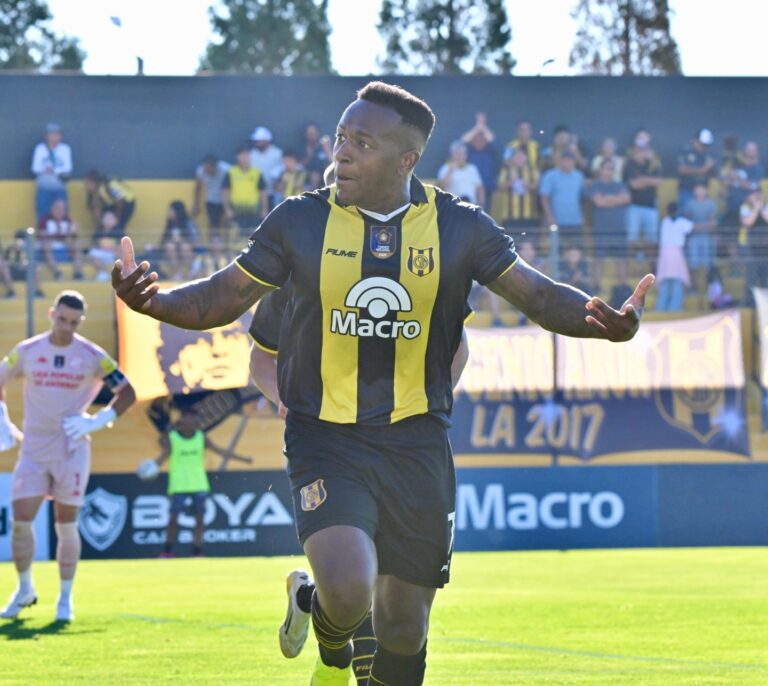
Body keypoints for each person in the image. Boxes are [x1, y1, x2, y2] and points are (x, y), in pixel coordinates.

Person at [111, 81, 652, 685]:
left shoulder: (459, 226)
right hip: (326, 437)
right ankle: (329, 628)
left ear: (406, 159)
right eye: (341, 137)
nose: (341, 152)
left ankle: (313, 609)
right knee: (349, 591)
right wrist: (153, 301)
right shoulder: (299, 221)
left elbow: (541, 296)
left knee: (403, 627)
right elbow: (221, 297)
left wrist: (604, 322)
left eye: (362, 143)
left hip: (417, 441)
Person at [247, 282, 470, 686]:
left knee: (394, 613)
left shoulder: (429, 259)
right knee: (353, 586)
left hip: (410, 452)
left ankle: (309, 601)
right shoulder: (302, 258)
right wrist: (283, 398)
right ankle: (334, 657)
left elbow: (458, 345)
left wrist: (424, 402)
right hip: (326, 444)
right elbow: (262, 355)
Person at [0, 290, 136, 622]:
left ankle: (65, 598)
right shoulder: (28, 351)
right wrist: (3, 420)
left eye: (74, 322)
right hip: (34, 449)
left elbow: (127, 391)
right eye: (62, 319)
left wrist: (98, 420)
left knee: (67, 524)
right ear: (52, 314)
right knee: (21, 522)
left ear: (80, 322)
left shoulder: (93, 355)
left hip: (71, 449)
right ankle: (25, 589)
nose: (66, 327)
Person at [153, 408, 211, 558]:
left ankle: (197, 552)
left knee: (200, 520)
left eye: (192, 417)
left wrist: (244, 459)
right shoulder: (173, 438)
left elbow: (221, 451)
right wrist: (151, 468)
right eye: (186, 417)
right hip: (179, 486)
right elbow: (162, 457)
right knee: (173, 520)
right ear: (181, 420)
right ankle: (167, 550)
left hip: (199, 485)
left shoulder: (201, 437)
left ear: (196, 420)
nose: (189, 420)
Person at [586, 159, 631, 289]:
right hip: (601, 229)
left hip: (619, 228)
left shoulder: (620, 185)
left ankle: (622, 287)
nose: (609, 171)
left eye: (612, 168)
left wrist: (607, 199)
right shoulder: (595, 185)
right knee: (598, 259)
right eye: (607, 168)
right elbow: (599, 202)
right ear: (600, 170)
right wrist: (616, 199)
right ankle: (596, 286)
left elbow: (626, 198)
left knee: (622, 259)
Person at [539, 149, 585, 250]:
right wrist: (549, 217)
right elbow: (544, 198)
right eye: (565, 159)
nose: (568, 162)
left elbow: (581, 198)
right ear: (561, 160)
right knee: (556, 252)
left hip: (575, 221)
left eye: (570, 160)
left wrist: (582, 217)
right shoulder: (550, 176)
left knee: (576, 251)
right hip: (556, 221)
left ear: (574, 161)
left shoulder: (579, 176)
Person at [192, 154, 230, 268]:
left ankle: (225, 251)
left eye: (209, 169)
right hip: (211, 201)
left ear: (215, 167)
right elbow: (198, 187)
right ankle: (212, 251)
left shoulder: (226, 170)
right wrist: (196, 204)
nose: (206, 171)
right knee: (213, 226)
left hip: (225, 201)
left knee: (225, 226)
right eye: (205, 168)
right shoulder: (200, 171)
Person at [222, 146, 269, 237]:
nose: (245, 158)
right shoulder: (231, 172)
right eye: (242, 156)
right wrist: (227, 209)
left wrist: (264, 209)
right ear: (237, 157)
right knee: (236, 235)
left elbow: (263, 192)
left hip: (253, 210)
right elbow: (225, 191)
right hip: (236, 210)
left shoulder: (256, 172)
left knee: (252, 236)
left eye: (247, 155)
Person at [656, 203, 694, 312]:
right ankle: (674, 310)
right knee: (677, 284)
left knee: (664, 286)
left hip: (664, 255)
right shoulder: (681, 222)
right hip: (676, 254)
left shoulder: (664, 222)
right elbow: (692, 227)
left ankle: (660, 310)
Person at [31, 122, 72, 221]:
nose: (55, 137)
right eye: (52, 134)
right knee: (43, 216)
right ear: (46, 136)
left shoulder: (65, 149)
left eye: (57, 134)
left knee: (62, 216)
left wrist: (54, 170)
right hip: (43, 188)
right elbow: (35, 168)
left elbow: (68, 168)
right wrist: (44, 169)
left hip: (60, 188)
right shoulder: (40, 149)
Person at [36, 198, 84, 280]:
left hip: (62, 246)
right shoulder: (44, 220)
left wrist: (73, 232)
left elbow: (72, 236)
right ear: (52, 209)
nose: (60, 211)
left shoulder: (67, 220)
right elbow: (41, 234)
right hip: (48, 247)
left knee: (76, 243)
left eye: (62, 209)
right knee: (46, 244)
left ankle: (78, 272)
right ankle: (57, 272)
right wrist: (56, 233)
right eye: (58, 208)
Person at [460, 112, 499, 212]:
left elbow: (491, 139)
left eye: (482, 139)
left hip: (487, 188)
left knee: (485, 214)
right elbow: (463, 140)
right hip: (471, 190)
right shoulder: (469, 151)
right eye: (476, 139)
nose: (479, 141)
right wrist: (477, 127)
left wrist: (482, 126)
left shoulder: (490, 151)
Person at [677, 128, 716, 210]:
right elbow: (682, 169)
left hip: (703, 192)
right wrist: (703, 169)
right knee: (686, 215)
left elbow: (713, 173)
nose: (704, 147)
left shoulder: (708, 154)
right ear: (695, 141)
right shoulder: (686, 151)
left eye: (706, 145)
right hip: (687, 190)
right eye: (702, 144)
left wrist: (712, 167)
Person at [160, 200, 199, 282]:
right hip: (173, 252)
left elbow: (195, 240)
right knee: (170, 246)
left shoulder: (189, 223)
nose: (169, 213)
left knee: (185, 246)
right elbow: (163, 241)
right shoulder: (170, 224)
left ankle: (189, 272)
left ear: (177, 211)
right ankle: (177, 273)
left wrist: (181, 239)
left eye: (171, 210)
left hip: (188, 250)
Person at [436, 141, 485, 206]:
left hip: (471, 205)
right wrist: (450, 170)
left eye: (462, 153)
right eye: (456, 153)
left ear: (466, 155)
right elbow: (442, 187)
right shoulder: (445, 168)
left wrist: (481, 204)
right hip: (453, 205)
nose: (459, 156)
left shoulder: (472, 169)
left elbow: (480, 188)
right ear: (452, 155)